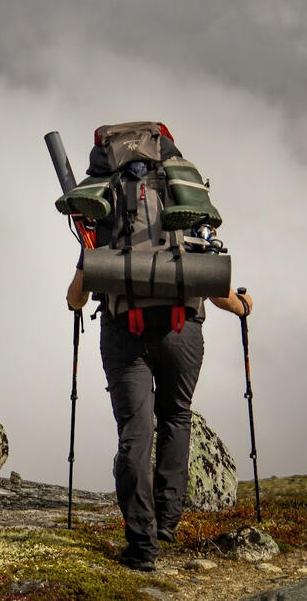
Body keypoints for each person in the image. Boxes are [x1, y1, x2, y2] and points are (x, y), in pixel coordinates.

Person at [65, 165, 252, 572]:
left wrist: (84, 283)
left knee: (134, 434)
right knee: (175, 417)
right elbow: (218, 292)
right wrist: (245, 306)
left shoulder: (107, 215)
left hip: (124, 337)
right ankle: (167, 522)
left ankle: (142, 545)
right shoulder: (187, 208)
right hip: (181, 334)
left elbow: (76, 298)